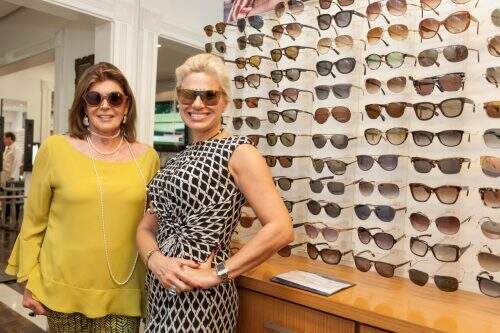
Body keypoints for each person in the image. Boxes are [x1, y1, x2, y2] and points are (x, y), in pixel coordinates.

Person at [136, 53, 294, 332]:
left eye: (209, 96)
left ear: (224, 102)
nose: (198, 104)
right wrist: (156, 260)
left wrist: (218, 274)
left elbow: (281, 229)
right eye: (189, 95)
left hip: (201, 301)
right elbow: (146, 229)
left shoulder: (239, 152)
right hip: (161, 293)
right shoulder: (176, 160)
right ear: (178, 99)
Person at [5, 62, 160, 332]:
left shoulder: (148, 158)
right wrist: (28, 278)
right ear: (83, 106)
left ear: (126, 106)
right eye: (94, 97)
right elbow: (34, 222)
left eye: (114, 98)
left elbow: (155, 225)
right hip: (62, 289)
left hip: (123, 290)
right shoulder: (55, 149)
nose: (104, 105)